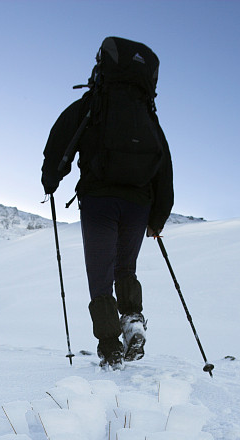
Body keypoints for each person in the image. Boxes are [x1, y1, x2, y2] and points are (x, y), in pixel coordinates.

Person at [41, 36, 174, 368]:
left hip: (99, 200)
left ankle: (111, 346)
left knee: (99, 276)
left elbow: (61, 139)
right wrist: (157, 218)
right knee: (125, 268)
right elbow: (164, 167)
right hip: (138, 203)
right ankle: (132, 321)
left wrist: (52, 178)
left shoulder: (93, 104)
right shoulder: (147, 115)